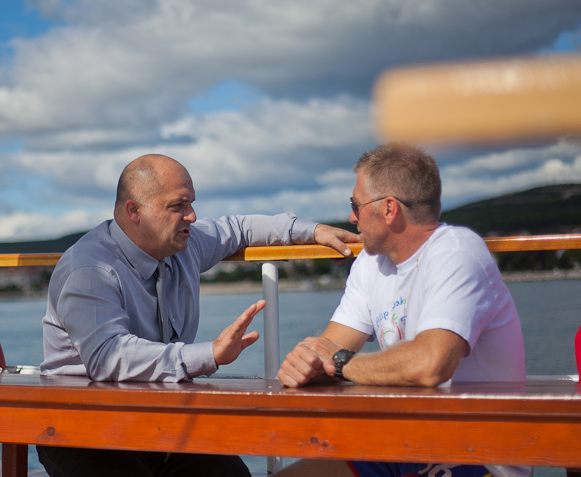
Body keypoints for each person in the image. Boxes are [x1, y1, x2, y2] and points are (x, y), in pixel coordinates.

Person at [37, 153, 360, 477]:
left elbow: (239, 228)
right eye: (177, 206)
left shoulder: (182, 245)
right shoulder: (89, 268)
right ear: (134, 211)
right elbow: (108, 356)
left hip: (156, 425)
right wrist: (210, 354)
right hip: (79, 428)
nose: (191, 216)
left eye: (191, 203)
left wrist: (311, 230)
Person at [276, 143, 530, 477]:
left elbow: (430, 366)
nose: (352, 217)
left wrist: (341, 363)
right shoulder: (370, 263)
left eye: (355, 205)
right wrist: (305, 364)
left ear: (389, 209)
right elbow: (326, 352)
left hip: (475, 453)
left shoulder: (457, 253)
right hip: (401, 443)